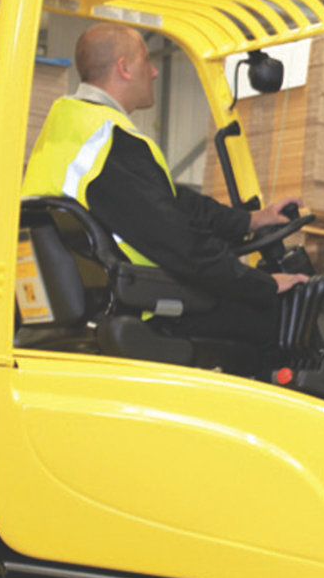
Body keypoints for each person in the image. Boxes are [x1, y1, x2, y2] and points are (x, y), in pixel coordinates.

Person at [23, 22, 307, 350]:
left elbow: (170, 202)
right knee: (280, 316)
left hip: (83, 309)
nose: (155, 72)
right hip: (140, 309)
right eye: (147, 60)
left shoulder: (67, 130)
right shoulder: (113, 143)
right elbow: (181, 245)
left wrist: (250, 221)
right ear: (124, 68)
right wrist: (263, 285)